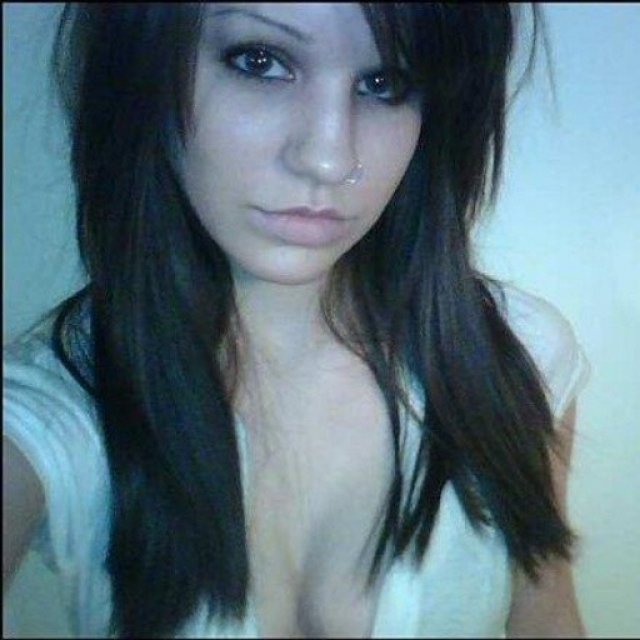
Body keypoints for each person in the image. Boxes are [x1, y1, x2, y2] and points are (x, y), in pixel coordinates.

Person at [3, 3, 591, 638]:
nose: (329, 158)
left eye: (385, 82)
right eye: (260, 61)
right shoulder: (49, 419)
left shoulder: (520, 358)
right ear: (142, 64)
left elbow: (548, 617)